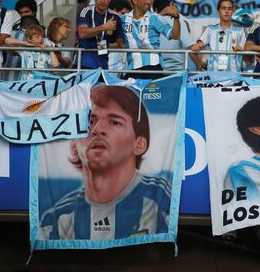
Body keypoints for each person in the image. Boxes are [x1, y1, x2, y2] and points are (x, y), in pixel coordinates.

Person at [40, 86, 171, 240]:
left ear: (139, 144)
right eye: (89, 121)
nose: (97, 129)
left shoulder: (163, 196)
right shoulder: (58, 219)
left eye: (114, 122)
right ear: (74, 145)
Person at [121, 0, 180, 79]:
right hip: (132, 69)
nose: (148, 2)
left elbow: (175, 35)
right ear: (134, 1)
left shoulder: (155, 18)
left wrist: (176, 18)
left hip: (153, 68)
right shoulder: (124, 19)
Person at [191, 0, 246, 72]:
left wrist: (240, 48)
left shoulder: (240, 31)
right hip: (213, 76)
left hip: (234, 77)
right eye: (223, 8)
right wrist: (198, 45)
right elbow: (200, 43)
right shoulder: (210, 29)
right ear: (218, 11)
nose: (227, 11)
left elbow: (245, 48)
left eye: (229, 8)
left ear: (233, 11)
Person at [77, 0, 125, 69]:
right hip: (85, 59)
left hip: (103, 61)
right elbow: (82, 33)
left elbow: (120, 43)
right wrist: (104, 27)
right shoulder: (86, 11)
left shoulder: (115, 16)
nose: (102, 1)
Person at [152, 0, 200, 72]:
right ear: (170, 5)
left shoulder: (152, 23)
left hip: (157, 71)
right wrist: (200, 65)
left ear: (156, 10)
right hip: (177, 71)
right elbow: (190, 47)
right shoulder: (178, 22)